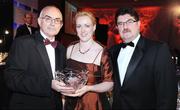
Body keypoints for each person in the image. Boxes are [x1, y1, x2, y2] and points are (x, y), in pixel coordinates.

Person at [4, 5, 74, 110]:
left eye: (57, 20)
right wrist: (48, 84)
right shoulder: (23, 43)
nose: (53, 23)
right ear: (39, 21)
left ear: (61, 25)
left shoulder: (61, 48)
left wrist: (70, 81)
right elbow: (12, 78)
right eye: (48, 19)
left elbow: (61, 75)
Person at [108, 7, 177, 109]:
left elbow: (168, 94)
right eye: (120, 23)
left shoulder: (158, 49)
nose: (125, 26)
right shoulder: (113, 51)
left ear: (139, 24)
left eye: (129, 21)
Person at [62, 11, 113, 110]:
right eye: (79, 26)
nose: (83, 30)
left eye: (87, 26)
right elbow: (65, 76)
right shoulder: (70, 48)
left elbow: (110, 84)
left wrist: (88, 88)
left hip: (93, 104)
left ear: (94, 27)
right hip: (70, 103)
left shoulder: (103, 52)